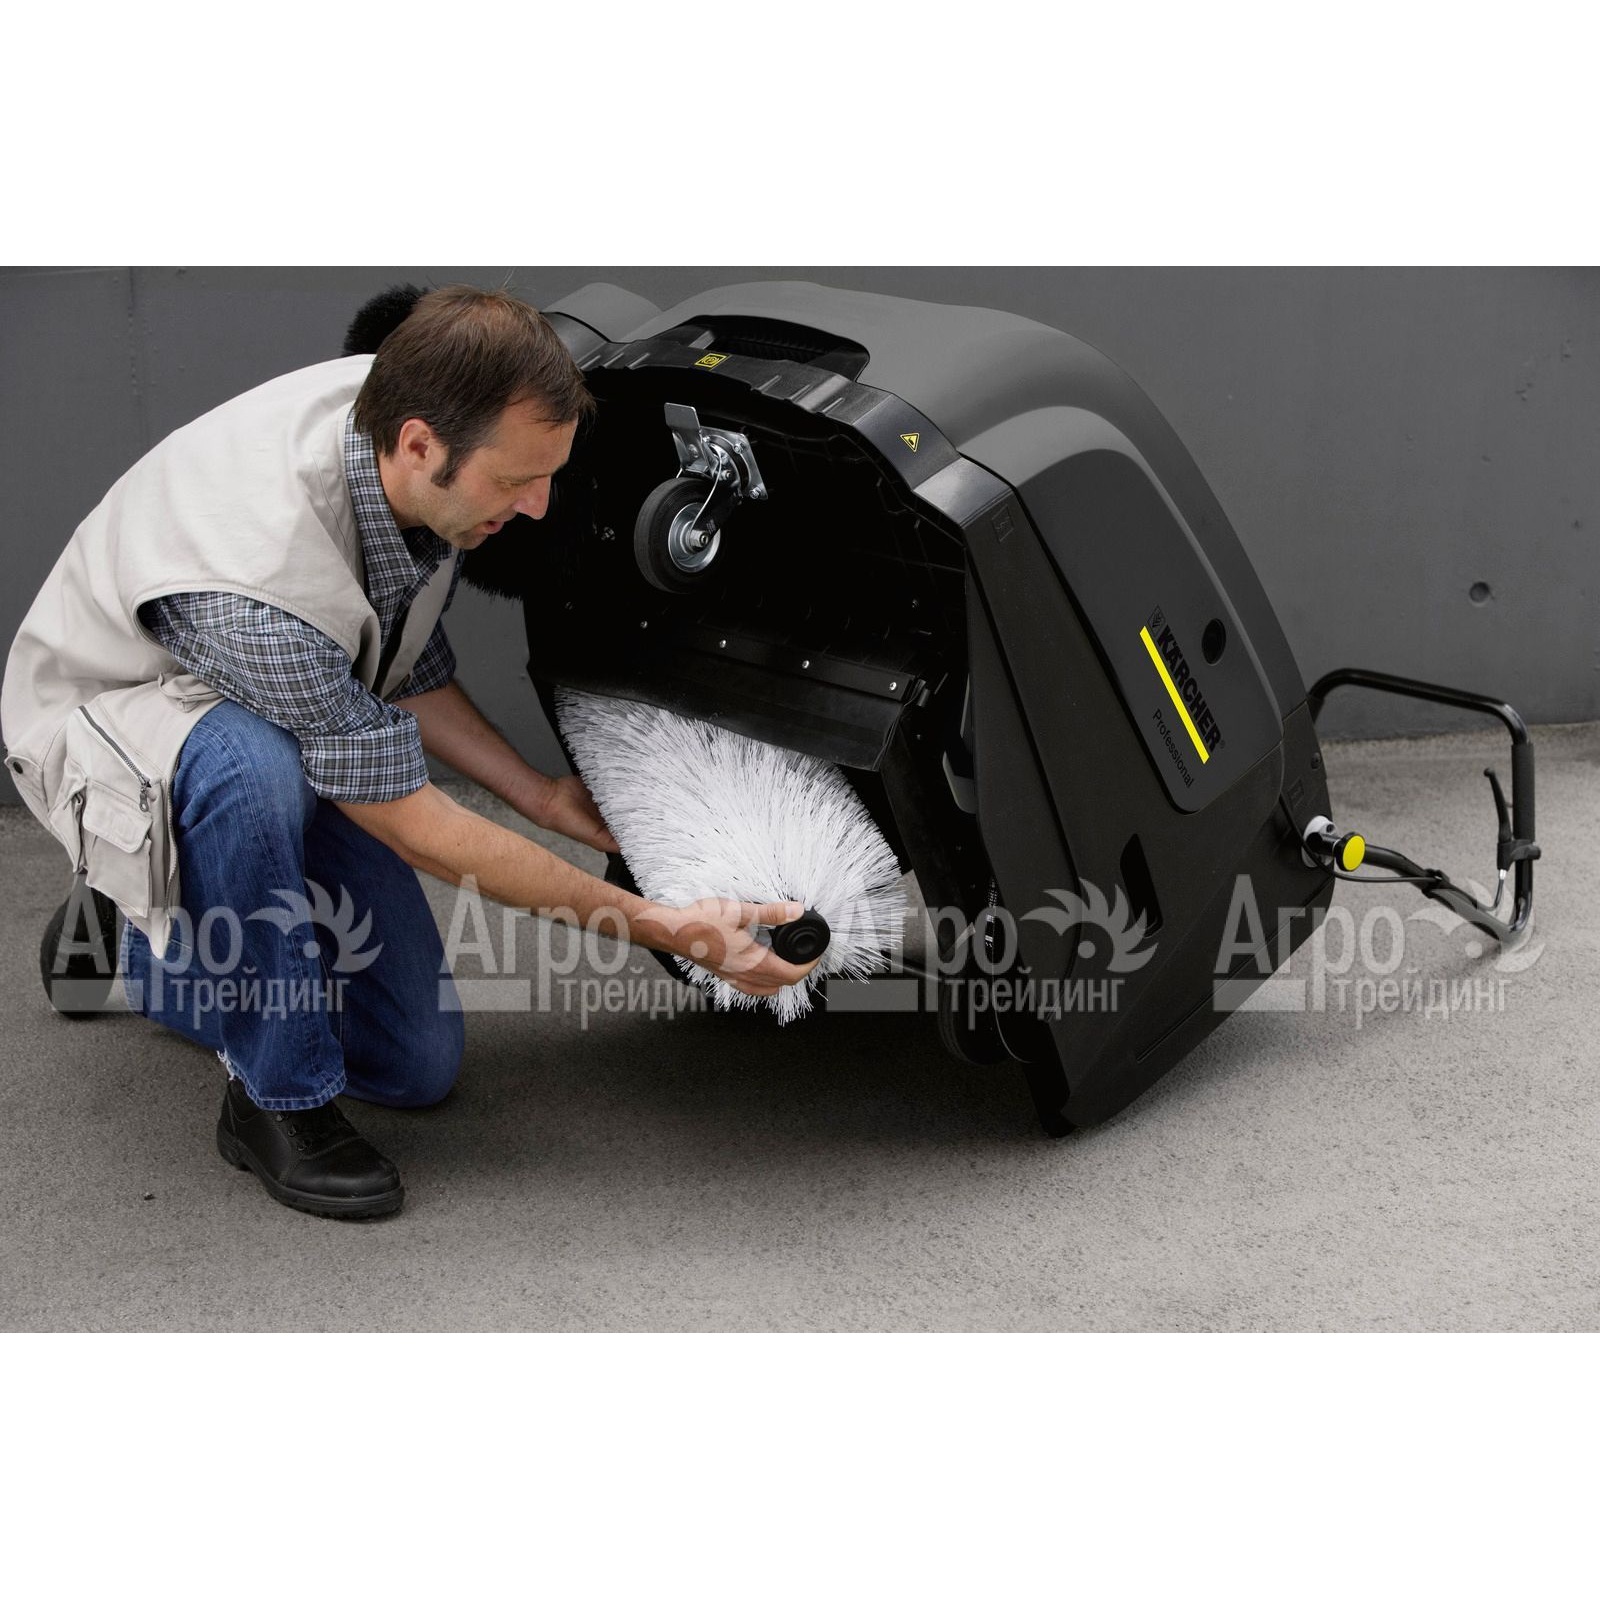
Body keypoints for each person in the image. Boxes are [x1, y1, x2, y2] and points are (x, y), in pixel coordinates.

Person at [2, 284, 817, 1222]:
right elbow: (414, 823)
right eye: (517, 482)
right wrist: (658, 927)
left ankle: (135, 940)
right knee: (251, 766)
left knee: (412, 1062)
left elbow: (398, 660)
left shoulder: (410, 423)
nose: (539, 507)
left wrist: (542, 797)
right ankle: (274, 1099)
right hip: (118, 720)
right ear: (422, 446)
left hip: (286, 704)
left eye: (547, 476)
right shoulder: (259, 586)